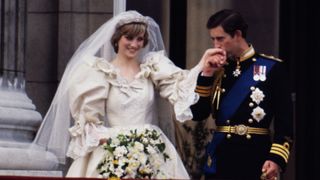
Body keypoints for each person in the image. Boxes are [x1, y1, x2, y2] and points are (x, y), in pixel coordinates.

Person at [29, 10, 223, 179]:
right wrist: (119, 147)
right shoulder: (99, 72)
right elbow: (90, 123)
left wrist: (202, 66)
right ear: (117, 39)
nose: (134, 44)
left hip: (152, 149)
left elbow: (181, 87)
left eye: (140, 39)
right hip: (112, 150)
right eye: (129, 38)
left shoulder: (152, 68)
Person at [191, 9, 293, 180]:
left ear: (237, 34)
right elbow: (198, 114)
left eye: (220, 38)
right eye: (213, 39)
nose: (216, 45)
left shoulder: (272, 68)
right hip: (221, 157)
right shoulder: (216, 70)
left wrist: (276, 158)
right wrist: (206, 74)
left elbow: (285, 123)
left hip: (256, 157)